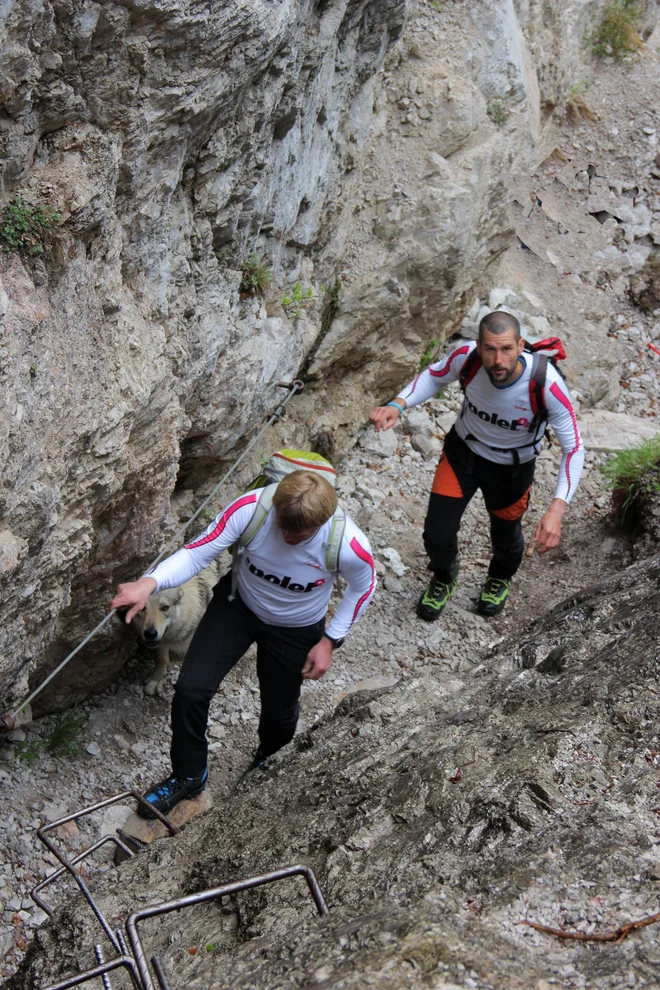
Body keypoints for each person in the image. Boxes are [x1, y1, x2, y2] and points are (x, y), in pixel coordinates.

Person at [111, 470, 376, 816]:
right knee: (190, 690)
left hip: (295, 628)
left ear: (323, 522)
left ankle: (268, 761)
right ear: (276, 508)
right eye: (282, 526)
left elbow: (363, 587)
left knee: (279, 713)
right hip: (238, 608)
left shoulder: (348, 544)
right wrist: (150, 582)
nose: (288, 537)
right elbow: (196, 554)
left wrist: (330, 640)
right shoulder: (251, 510)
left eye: (300, 534)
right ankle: (189, 774)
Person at [369, 311, 584, 621]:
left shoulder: (545, 384)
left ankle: (500, 576)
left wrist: (556, 510)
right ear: (479, 345)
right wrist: (397, 404)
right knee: (437, 532)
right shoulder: (466, 358)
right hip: (462, 456)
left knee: (506, 534)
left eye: (507, 349)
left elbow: (574, 448)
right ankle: (444, 576)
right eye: (490, 349)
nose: (498, 359)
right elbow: (434, 375)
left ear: (521, 345)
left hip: (511, 470)